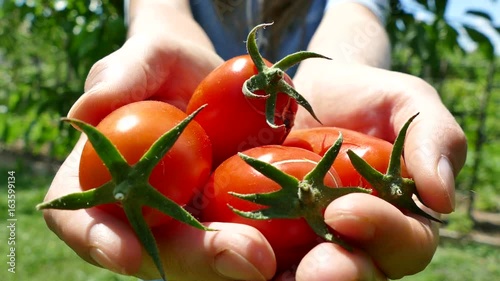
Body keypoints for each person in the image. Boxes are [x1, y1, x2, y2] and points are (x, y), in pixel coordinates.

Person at [42, 0, 468, 280]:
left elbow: (357, 13)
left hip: (284, 144)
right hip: (203, 188)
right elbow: (159, 9)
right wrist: (162, 41)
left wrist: (344, 65)